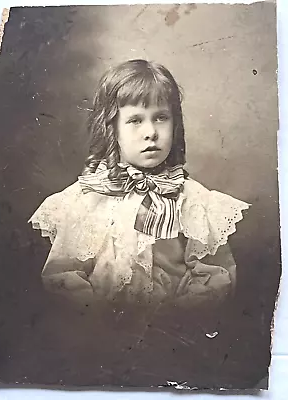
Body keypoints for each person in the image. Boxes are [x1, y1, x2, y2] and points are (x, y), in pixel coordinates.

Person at [29, 59, 250, 310]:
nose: (151, 132)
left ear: (175, 125)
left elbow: (215, 276)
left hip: (173, 331)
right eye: (135, 120)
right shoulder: (86, 198)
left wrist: (177, 315)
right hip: (99, 331)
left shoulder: (192, 200)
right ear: (111, 128)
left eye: (161, 118)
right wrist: (96, 316)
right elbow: (63, 275)